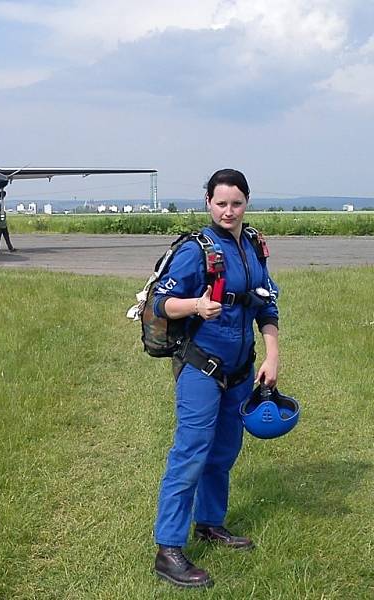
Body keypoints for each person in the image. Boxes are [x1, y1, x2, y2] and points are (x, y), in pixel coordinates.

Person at [151, 169, 280, 589]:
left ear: (247, 203)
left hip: (242, 369)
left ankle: (209, 522)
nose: (228, 211)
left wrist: (273, 354)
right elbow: (159, 303)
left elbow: (266, 304)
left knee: (224, 451)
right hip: (201, 367)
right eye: (220, 203)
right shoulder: (195, 250)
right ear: (207, 202)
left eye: (236, 203)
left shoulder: (254, 247)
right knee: (191, 452)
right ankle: (168, 549)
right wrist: (194, 306)